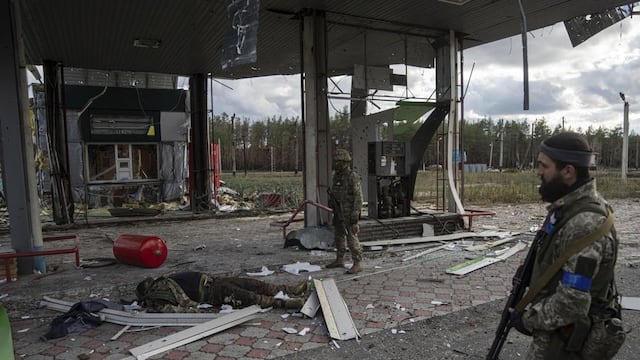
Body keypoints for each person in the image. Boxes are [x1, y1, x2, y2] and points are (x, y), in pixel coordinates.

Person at [510, 132, 625, 359]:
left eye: (544, 166)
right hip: (559, 338)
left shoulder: (585, 223)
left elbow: (572, 303)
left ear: (568, 171)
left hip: (567, 344)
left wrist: (526, 319)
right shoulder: (569, 207)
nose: (539, 172)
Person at [136, 272, 308, 313]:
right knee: (250, 297)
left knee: (255, 284)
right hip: (213, 292)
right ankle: (287, 303)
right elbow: (175, 309)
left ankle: (290, 290)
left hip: (215, 281)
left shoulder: (163, 282)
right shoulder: (156, 296)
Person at [326, 149, 364, 274]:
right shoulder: (337, 175)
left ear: (345, 162)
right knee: (339, 237)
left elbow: (358, 197)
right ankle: (340, 259)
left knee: (351, 237)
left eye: (338, 162)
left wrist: (355, 213)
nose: (336, 164)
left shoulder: (352, 176)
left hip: (349, 212)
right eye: (335, 161)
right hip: (338, 211)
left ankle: (357, 263)